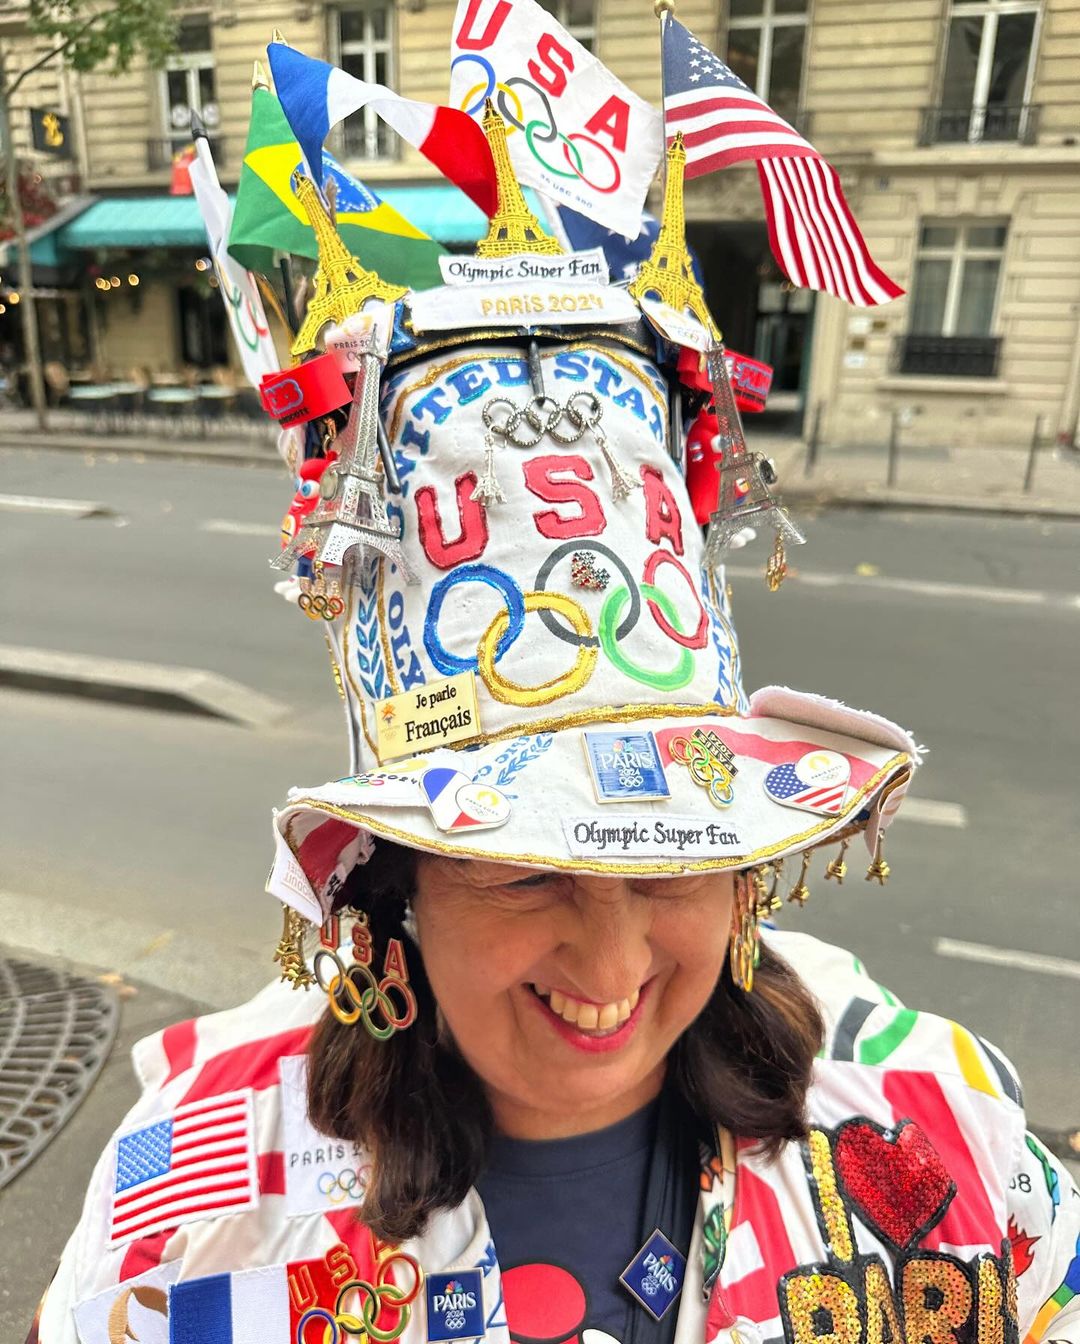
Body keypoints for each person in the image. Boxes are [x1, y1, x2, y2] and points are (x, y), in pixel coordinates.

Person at [31, 105, 1079, 1344]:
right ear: (396, 881)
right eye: (532, 869)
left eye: (674, 862)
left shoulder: (947, 1130)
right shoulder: (188, 1204)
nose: (614, 964)